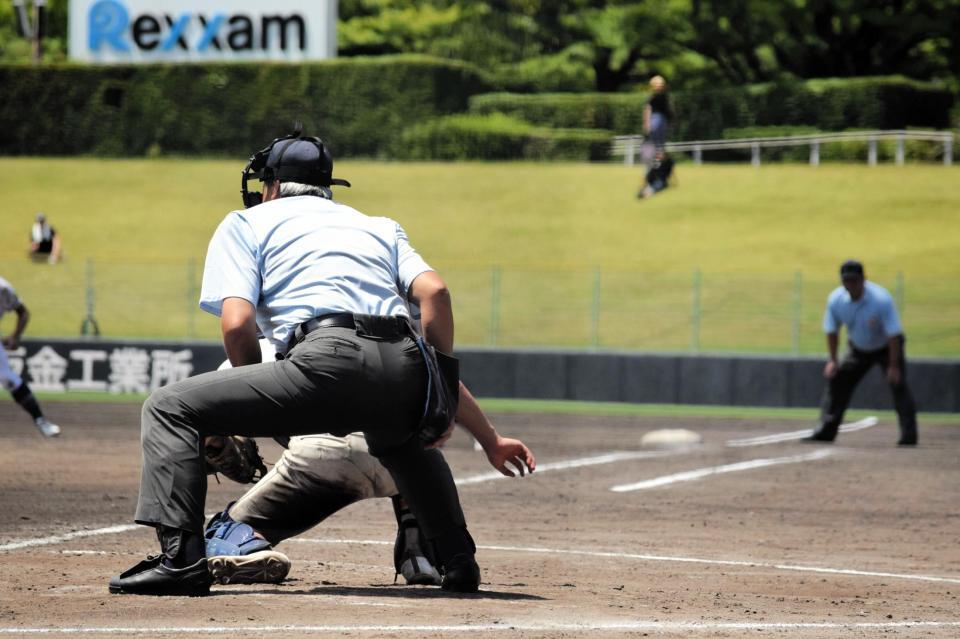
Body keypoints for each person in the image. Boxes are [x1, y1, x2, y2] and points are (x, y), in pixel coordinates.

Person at [109, 128, 531, 597]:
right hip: (403, 358)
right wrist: (441, 392)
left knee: (168, 407)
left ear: (269, 185)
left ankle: (180, 561)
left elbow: (236, 323)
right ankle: (457, 562)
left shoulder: (247, 223)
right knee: (406, 439)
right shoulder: (378, 225)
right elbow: (435, 293)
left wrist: (259, 410)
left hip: (323, 358)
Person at [204, 340, 536, 587]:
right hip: (400, 458)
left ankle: (246, 548)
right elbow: (445, 385)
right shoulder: (391, 337)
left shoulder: (267, 343)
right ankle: (423, 555)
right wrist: (493, 442)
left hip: (323, 459)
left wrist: (224, 442)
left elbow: (211, 431)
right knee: (417, 440)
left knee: (219, 534)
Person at [805, 260, 918, 446]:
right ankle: (825, 431)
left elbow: (893, 335)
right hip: (858, 348)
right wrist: (832, 360)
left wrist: (893, 366)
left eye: (854, 280)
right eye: (846, 281)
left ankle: (909, 436)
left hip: (887, 348)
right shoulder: (836, 300)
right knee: (838, 381)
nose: (850, 285)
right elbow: (832, 330)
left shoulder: (881, 299)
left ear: (863, 280)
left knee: (898, 386)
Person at [0, 276, 61, 437]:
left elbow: (23, 312)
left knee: (8, 378)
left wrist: (15, 336)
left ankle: (41, 420)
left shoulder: (3, 288)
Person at [643, 75, 673, 153]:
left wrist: (647, 124)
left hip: (660, 120)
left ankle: (657, 160)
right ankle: (655, 158)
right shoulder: (653, 97)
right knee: (657, 142)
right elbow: (648, 110)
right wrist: (647, 124)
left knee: (658, 142)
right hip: (656, 120)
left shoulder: (665, 97)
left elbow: (669, 110)